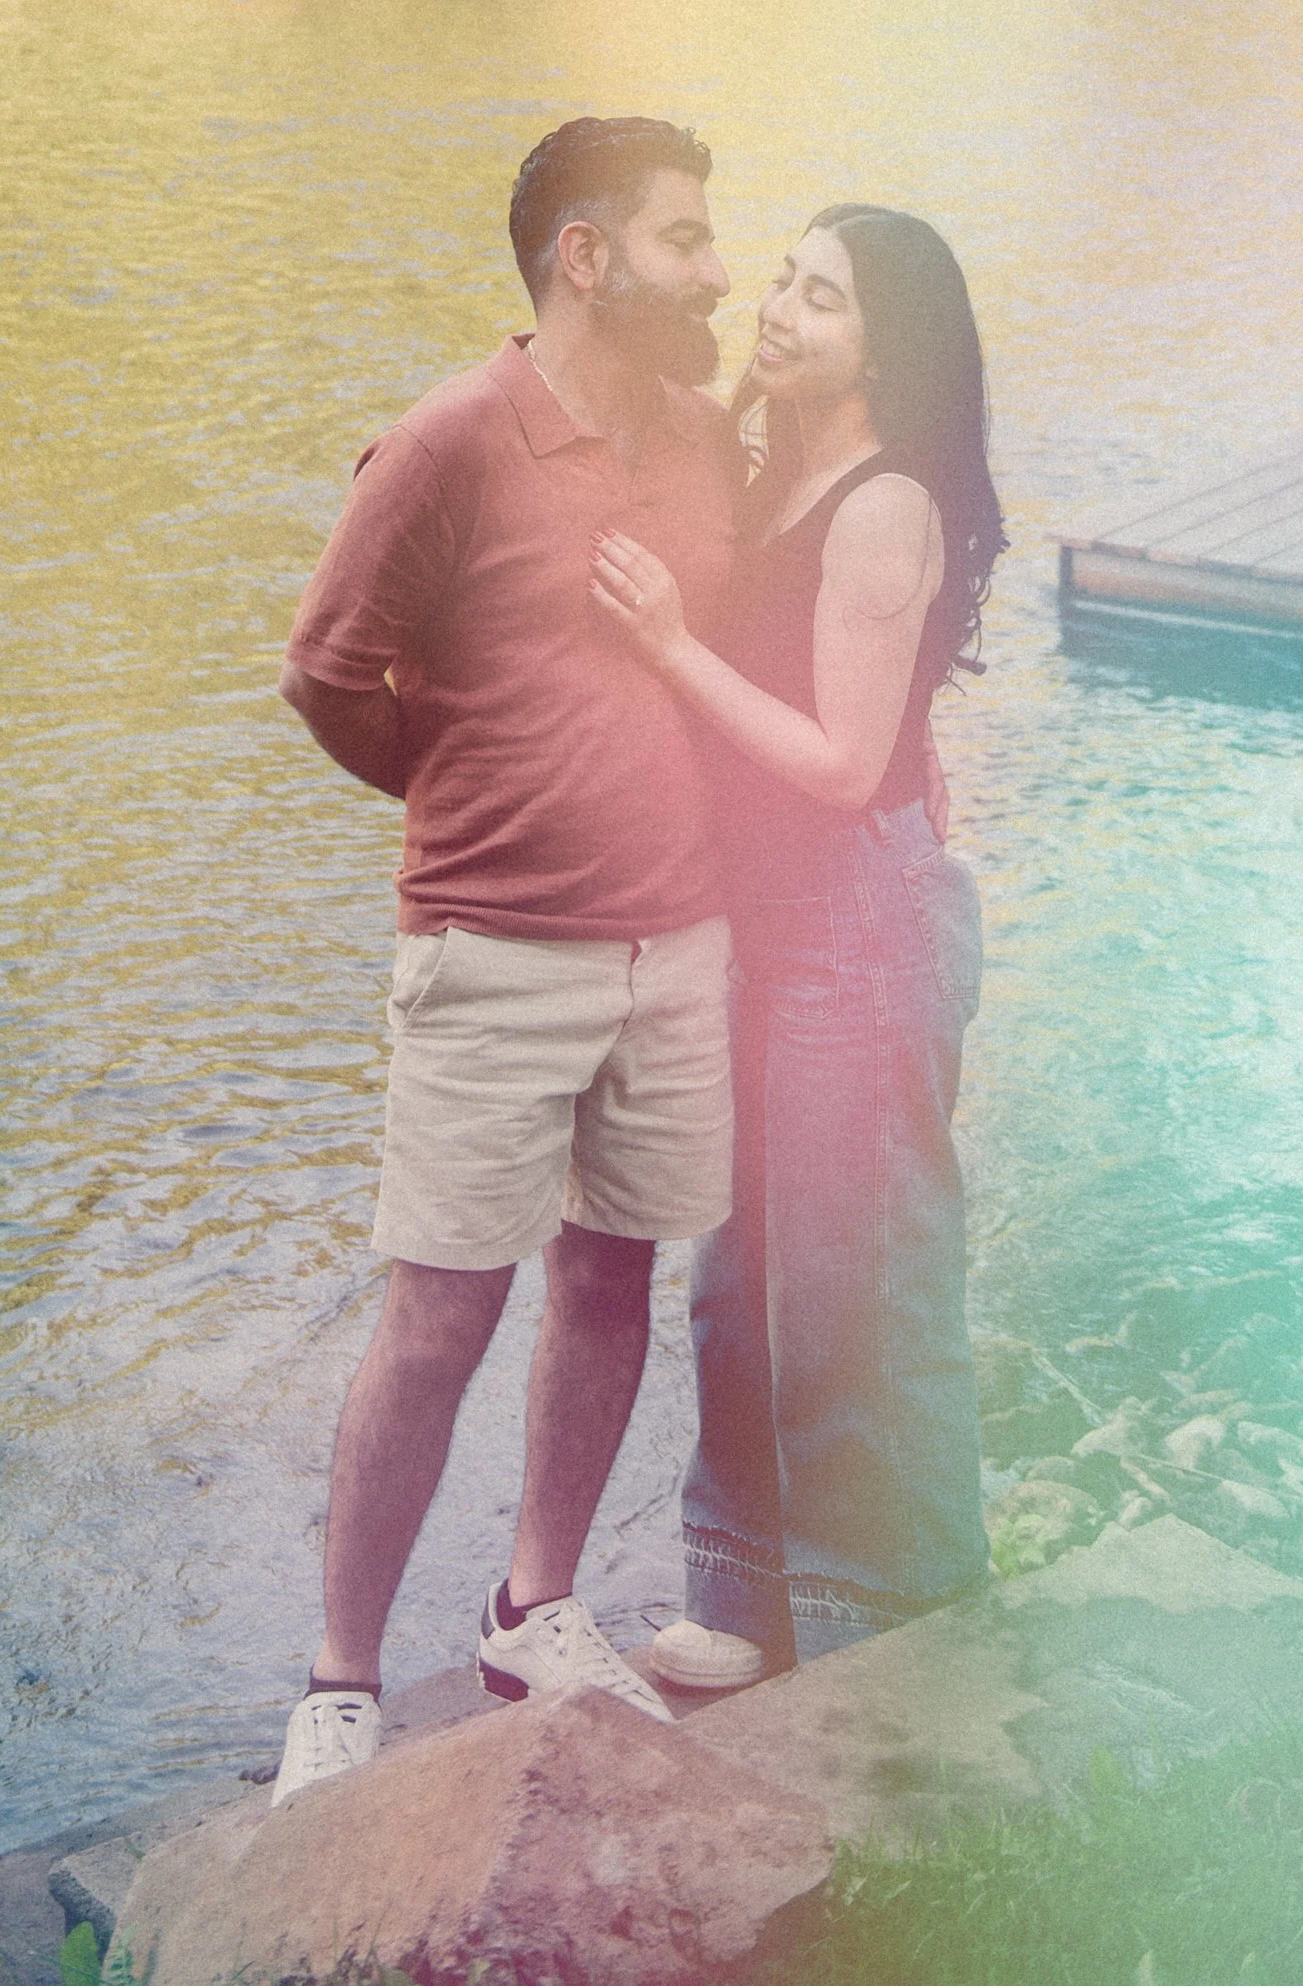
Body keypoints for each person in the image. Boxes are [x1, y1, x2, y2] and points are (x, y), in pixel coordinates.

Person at [267, 116, 741, 1803]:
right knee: (439, 1313)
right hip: (491, 951)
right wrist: (465, 791)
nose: (719, 270)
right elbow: (326, 674)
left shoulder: (701, 434)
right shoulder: (451, 441)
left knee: (612, 1277)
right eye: (686, 238)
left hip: (675, 944)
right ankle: (338, 1682)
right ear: (586, 258)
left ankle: (535, 1606)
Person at [589, 201, 1001, 1683]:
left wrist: (667, 645)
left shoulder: (885, 504)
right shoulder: (772, 473)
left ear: (885, 350)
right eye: (782, 279)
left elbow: (839, 763)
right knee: (737, 1272)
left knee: (857, 1278)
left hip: (857, 919)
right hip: (760, 919)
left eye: (823, 298)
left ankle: (885, 1623)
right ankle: (747, 1591)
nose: (778, 308)